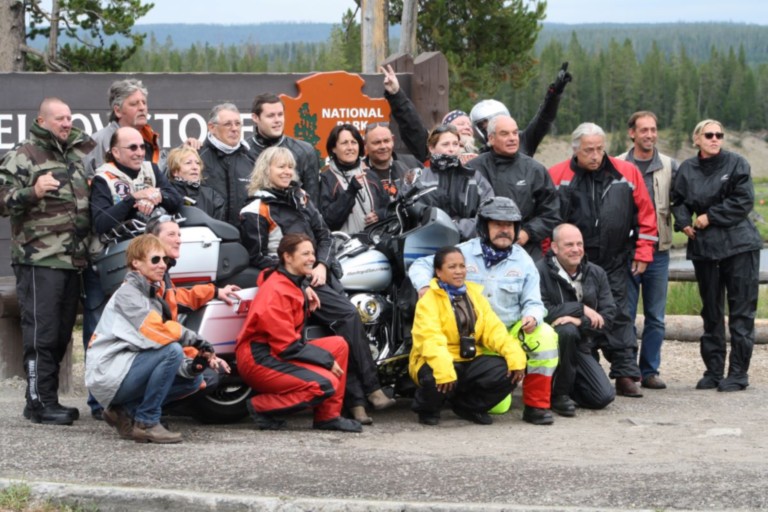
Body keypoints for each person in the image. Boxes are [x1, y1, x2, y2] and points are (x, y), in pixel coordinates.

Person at [239, 146, 395, 424]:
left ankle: (357, 402)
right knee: (347, 317)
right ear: (266, 171)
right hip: (290, 280)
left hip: (320, 273)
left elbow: (323, 235)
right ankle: (368, 392)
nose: (287, 172)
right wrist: (298, 281)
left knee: (349, 323)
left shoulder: (301, 197)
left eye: (290, 167)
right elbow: (258, 256)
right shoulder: (255, 209)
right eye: (280, 167)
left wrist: (321, 264)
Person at [409, 197, 559, 425]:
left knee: (545, 334)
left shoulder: (524, 260)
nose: (504, 230)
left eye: (509, 226)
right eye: (497, 224)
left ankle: (537, 406)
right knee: (496, 406)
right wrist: (424, 287)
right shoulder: (463, 252)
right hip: (474, 339)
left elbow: (535, 302)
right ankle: (446, 398)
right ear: (483, 226)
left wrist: (532, 316)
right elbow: (421, 264)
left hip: (506, 333)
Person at [0, 97, 94, 425]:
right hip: (39, 259)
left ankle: (47, 399)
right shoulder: (24, 154)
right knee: (42, 333)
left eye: (69, 117)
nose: (67, 123)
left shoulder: (79, 155)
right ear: (42, 121)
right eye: (59, 119)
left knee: (61, 334)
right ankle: (38, 402)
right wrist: (33, 192)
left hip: (73, 260)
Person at [548, 122, 658, 398]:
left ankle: (624, 373)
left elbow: (646, 214)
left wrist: (644, 252)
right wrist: (549, 256)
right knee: (576, 311)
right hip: (573, 261)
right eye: (588, 150)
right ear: (576, 150)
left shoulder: (627, 173)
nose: (595, 155)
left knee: (620, 314)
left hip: (615, 258)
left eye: (599, 149)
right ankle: (586, 365)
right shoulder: (557, 175)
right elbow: (548, 218)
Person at [85, 125, 183, 419]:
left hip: (147, 266)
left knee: (150, 325)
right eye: (132, 148)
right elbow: (100, 222)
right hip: (109, 266)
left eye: (142, 146)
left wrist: (157, 197)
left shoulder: (152, 169)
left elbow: (176, 199)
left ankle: (131, 399)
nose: (140, 152)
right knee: (100, 330)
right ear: (115, 152)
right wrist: (131, 199)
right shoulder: (103, 177)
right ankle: (97, 404)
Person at [85, 235, 212, 443]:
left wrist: (193, 366)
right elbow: (156, 333)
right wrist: (196, 341)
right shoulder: (128, 294)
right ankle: (147, 422)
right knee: (172, 351)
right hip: (107, 373)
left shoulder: (151, 293)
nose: (162, 265)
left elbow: (155, 348)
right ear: (136, 263)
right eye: (155, 260)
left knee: (194, 380)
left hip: (125, 368)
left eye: (165, 260)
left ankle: (124, 411)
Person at [236, 233, 362, 432]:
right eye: (305, 254)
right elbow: (286, 347)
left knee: (338, 344)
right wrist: (326, 361)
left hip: (276, 352)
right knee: (324, 383)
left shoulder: (290, 280)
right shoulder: (276, 291)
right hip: (259, 359)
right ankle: (261, 406)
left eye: (312, 253)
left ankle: (328, 417)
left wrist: (304, 286)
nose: (312, 258)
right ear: (288, 257)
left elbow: (269, 274)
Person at [671, 119, 762, 392]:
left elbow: (743, 201)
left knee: (741, 313)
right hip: (705, 248)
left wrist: (710, 216)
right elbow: (679, 200)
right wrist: (684, 221)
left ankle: (737, 373)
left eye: (719, 134)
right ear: (696, 139)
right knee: (711, 312)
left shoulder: (737, 163)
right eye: (708, 134)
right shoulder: (687, 169)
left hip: (740, 246)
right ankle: (713, 370)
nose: (715, 138)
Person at [410, 246, 526, 426]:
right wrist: (444, 370)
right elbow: (430, 340)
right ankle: (427, 409)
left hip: (469, 357)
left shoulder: (475, 296)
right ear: (439, 272)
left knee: (509, 371)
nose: (459, 271)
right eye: (452, 267)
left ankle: (468, 407)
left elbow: (495, 331)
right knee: (435, 377)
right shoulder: (428, 301)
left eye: (462, 266)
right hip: (435, 359)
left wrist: (516, 358)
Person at [381, 63, 571, 163]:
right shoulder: (435, 154)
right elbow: (412, 127)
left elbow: (543, 120)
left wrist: (554, 94)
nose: (464, 127)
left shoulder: (490, 154)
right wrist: (396, 94)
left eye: (467, 124)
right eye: (458, 125)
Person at [617, 111, 679, 390]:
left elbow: (681, 201)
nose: (650, 135)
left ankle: (650, 370)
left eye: (653, 130)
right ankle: (628, 371)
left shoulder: (669, 165)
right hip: (625, 251)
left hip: (659, 250)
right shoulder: (617, 164)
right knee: (625, 314)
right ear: (632, 133)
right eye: (644, 130)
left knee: (656, 316)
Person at [145, 214, 241, 392]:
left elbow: (177, 298)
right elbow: (162, 336)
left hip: (157, 350)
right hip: (145, 356)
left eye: (179, 235)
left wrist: (215, 291)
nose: (179, 240)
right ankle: (141, 409)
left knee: (206, 373)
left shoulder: (162, 273)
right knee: (205, 377)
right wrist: (201, 356)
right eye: (172, 235)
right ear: (153, 240)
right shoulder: (149, 278)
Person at [537, 224, 616, 415]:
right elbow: (542, 310)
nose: (576, 249)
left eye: (579, 244)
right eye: (569, 244)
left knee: (603, 397)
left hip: (582, 345)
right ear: (554, 248)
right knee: (566, 330)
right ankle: (559, 395)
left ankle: (563, 386)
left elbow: (609, 317)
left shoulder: (596, 273)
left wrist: (580, 321)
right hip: (549, 345)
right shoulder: (538, 271)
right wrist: (581, 309)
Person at [469, 115, 560, 260]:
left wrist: (527, 233)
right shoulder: (473, 169)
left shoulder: (535, 170)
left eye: (515, 133)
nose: (512, 138)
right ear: (491, 139)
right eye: (505, 134)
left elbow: (551, 212)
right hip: (480, 252)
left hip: (526, 252)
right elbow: (462, 210)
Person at [83, 78, 190, 177]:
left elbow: (161, 177)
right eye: (134, 104)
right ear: (118, 111)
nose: (142, 108)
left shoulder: (152, 141)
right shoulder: (97, 143)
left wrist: (182, 151)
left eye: (144, 103)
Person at [407, 124, 494, 241]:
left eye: (455, 144)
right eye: (445, 144)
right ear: (431, 148)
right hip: (428, 244)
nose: (452, 149)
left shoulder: (474, 178)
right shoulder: (418, 178)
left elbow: (489, 211)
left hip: (468, 244)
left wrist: (456, 228)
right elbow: (408, 212)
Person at [246, 93, 321, 204]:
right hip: (253, 218)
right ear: (255, 118)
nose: (277, 120)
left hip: (294, 220)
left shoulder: (305, 151)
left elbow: (312, 203)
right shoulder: (243, 150)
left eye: (280, 114)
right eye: (271, 116)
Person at [318, 123, 389, 234]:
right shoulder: (326, 179)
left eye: (354, 142)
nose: (350, 148)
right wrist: (350, 192)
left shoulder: (370, 175)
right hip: (345, 247)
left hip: (374, 244)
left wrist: (379, 215)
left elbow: (389, 209)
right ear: (333, 149)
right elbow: (328, 222)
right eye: (344, 143)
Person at [199, 103, 255, 227]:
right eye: (228, 124)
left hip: (245, 239)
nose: (234, 128)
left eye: (237, 123)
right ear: (212, 128)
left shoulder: (252, 158)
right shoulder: (197, 157)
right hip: (209, 237)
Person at [363, 121, 422, 202]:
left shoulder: (411, 163)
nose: (383, 146)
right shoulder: (360, 172)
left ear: (393, 140)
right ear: (365, 145)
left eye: (386, 141)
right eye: (376, 142)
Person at [167, 146, 225, 221]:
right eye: (188, 163)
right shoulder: (166, 195)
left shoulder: (213, 197)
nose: (195, 167)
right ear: (175, 171)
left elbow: (218, 227)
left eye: (197, 163)